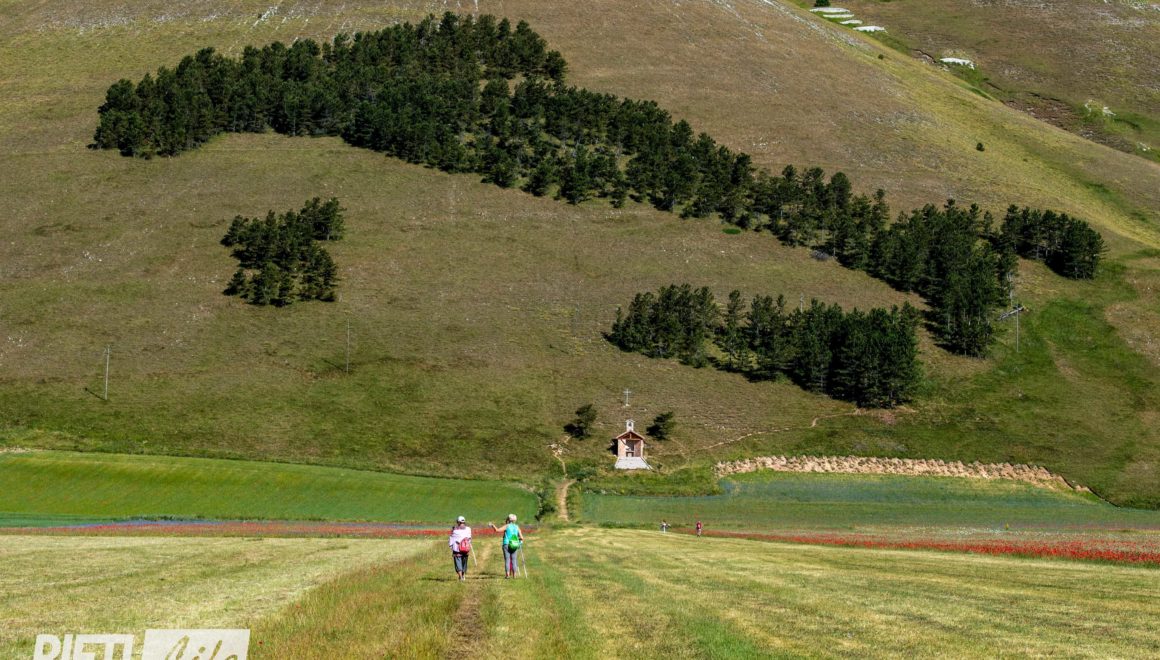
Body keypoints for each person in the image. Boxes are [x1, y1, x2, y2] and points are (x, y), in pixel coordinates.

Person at [489, 514, 524, 579]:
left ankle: (507, 575)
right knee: (514, 560)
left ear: (508, 519)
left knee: (507, 560)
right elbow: (521, 537)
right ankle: (514, 576)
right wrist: (516, 538)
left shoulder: (507, 526)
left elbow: (497, 530)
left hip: (506, 544)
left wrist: (493, 525)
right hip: (514, 544)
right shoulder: (517, 527)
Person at [449, 515, 472, 581]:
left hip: (457, 549)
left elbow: (451, 537)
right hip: (466, 548)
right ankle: (463, 575)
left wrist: (450, 545)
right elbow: (469, 538)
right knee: (464, 562)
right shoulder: (468, 529)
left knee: (458, 562)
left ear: (458, 522)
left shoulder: (455, 530)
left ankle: (460, 577)